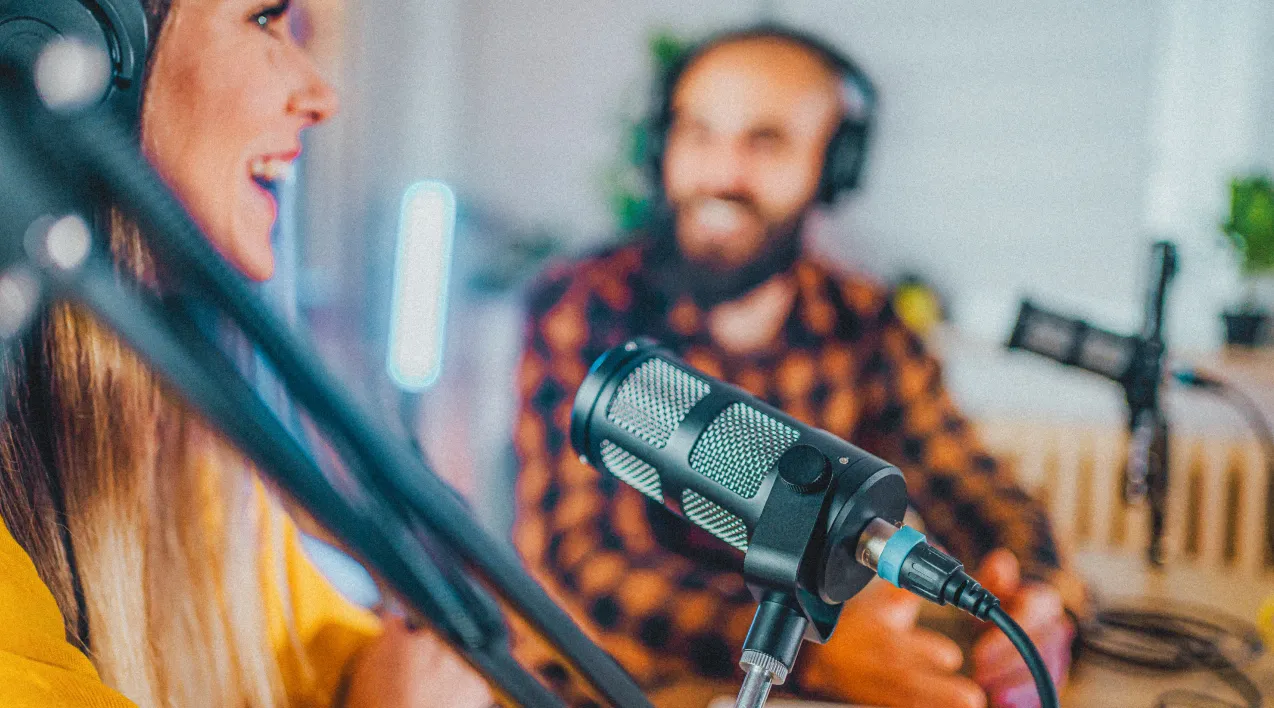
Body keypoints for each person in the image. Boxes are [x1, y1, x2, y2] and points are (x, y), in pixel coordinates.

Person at [513, 24, 1083, 708]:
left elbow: (971, 485)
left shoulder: (864, 322)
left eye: (765, 141)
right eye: (697, 133)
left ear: (834, 166)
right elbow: (586, 565)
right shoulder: (586, 307)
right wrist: (812, 649)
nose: (721, 174)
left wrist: (1040, 595)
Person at [0, 0, 491, 706]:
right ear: (84, 44)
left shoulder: (186, 453)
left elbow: (332, 652)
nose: (322, 96)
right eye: (264, 20)